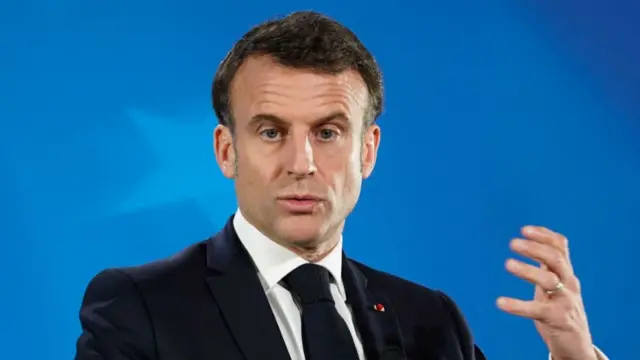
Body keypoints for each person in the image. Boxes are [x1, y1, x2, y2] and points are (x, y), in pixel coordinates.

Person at [74, 11, 608, 360]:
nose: (301, 163)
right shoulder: (139, 306)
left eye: (328, 132)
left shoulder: (429, 320)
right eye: (270, 131)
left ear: (368, 150)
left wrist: (573, 353)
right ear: (226, 151)